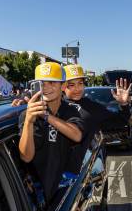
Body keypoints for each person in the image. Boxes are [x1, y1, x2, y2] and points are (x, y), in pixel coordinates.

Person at [18, 62, 85, 202]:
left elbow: (77, 135)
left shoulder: (71, 110)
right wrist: (29, 121)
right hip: (36, 193)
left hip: (62, 189)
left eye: (52, 83)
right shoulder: (28, 114)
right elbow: (26, 157)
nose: (46, 87)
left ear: (63, 86)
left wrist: (46, 116)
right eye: (42, 83)